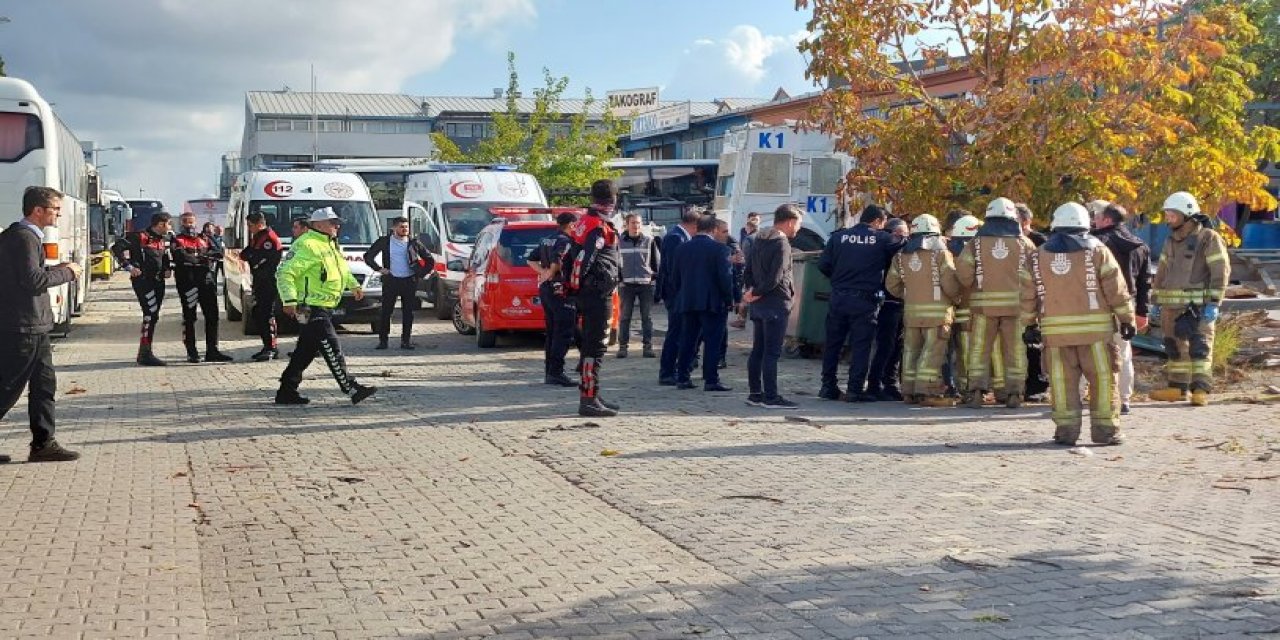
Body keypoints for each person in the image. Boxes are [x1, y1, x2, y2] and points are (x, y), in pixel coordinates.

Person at [1021, 202, 1134, 445]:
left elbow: (1027, 293)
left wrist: (1029, 324)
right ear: (1085, 223)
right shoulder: (1098, 250)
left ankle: (1066, 432)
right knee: (1103, 381)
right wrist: (1127, 319)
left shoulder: (1038, 255)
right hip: (1096, 335)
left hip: (1056, 337)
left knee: (1062, 384)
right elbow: (1116, 288)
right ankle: (1105, 432)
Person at [0, 186, 83, 463]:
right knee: (7, 389)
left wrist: (56, 270)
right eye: (55, 209)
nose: (59, 213)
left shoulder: (24, 236)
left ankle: (43, 443)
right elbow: (32, 281)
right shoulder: (23, 237)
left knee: (44, 386)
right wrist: (66, 272)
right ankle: (43, 442)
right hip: (24, 326)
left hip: (36, 326)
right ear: (38, 210)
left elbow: (31, 274)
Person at [274, 207, 377, 405]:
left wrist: (354, 285)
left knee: (304, 352)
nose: (337, 226)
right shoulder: (308, 244)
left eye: (337, 223)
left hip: (324, 306)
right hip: (311, 307)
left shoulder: (329, 244)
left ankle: (286, 391)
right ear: (319, 225)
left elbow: (342, 270)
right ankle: (351, 387)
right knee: (332, 346)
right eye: (332, 223)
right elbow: (285, 273)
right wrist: (289, 300)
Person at [1149, 192, 1230, 406]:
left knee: (1199, 348)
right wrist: (1156, 301)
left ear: (1187, 214)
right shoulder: (1170, 240)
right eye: (1167, 214)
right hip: (1170, 307)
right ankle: (1177, 389)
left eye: (1172, 215)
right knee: (1174, 348)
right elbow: (1162, 273)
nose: (1168, 219)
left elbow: (1220, 271)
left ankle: (1200, 390)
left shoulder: (1208, 238)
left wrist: (1214, 302)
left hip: (1198, 307)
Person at [956, 197, 1037, 408]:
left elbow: (963, 274)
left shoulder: (975, 243)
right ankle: (1014, 393)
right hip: (1016, 309)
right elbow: (1035, 276)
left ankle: (975, 392)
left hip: (983, 308)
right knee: (1015, 351)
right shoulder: (1025, 243)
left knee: (979, 350)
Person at [816, 204, 902, 402]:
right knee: (861, 346)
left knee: (833, 344)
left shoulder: (838, 237)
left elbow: (823, 265)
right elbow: (903, 245)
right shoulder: (882, 238)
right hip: (864, 300)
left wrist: (839, 280)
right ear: (878, 221)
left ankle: (827, 387)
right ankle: (855, 390)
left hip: (838, 297)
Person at [884, 214, 962, 407]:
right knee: (932, 352)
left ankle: (909, 391)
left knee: (911, 351)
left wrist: (910, 296)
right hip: (937, 316)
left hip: (911, 314)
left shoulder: (901, 256)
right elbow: (950, 284)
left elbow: (891, 284)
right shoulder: (941, 254)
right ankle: (926, 390)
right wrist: (957, 299)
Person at [566, 180, 623, 417]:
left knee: (592, 346)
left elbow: (570, 256)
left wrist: (573, 290)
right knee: (595, 347)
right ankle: (588, 399)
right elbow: (584, 260)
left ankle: (593, 394)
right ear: (612, 200)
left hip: (588, 293)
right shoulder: (599, 227)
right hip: (597, 294)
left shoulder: (583, 222)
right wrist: (580, 287)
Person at [1089, 201, 1151, 414]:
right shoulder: (1140, 245)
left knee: (1087, 352)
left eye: (1096, 217)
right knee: (1123, 354)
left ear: (1107, 220)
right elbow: (1145, 283)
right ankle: (1124, 399)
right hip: (1127, 307)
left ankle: (1081, 397)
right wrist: (1142, 312)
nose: (1093, 221)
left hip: (1097, 306)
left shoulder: (1095, 243)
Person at [743, 204, 802, 409]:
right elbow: (776, 277)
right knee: (772, 353)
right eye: (798, 225)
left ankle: (755, 393)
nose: (798, 230)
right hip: (776, 303)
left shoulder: (758, 239)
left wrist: (752, 291)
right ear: (790, 221)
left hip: (759, 304)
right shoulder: (782, 244)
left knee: (758, 350)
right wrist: (758, 291)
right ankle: (771, 396)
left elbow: (748, 269)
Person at [671, 215, 735, 392]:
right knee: (713, 341)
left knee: (687, 340)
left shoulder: (682, 249)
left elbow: (675, 278)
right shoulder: (720, 249)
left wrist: (681, 295)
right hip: (712, 302)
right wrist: (729, 299)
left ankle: (683, 377)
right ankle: (711, 379)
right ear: (713, 230)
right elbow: (725, 278)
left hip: (688, 300)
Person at [112, 210, 174, 366]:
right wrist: (129, 266)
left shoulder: (162, 240)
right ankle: (145, 354)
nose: (170, 226)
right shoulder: (139, 236)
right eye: (169, 223)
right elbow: (116, 249)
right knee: (150, 313)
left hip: (158, 282)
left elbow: (164, 256)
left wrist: (167, 268)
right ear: (161, 224)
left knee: (154, 315)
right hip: (143, 281)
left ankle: (145, 351)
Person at [364, 216, 434, 350]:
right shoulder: (385, 241)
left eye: (406, 227)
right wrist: (379, 269)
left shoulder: (414, 243)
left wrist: (420, 273)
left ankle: (405, 341)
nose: (405, 229)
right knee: (386, 311)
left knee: (408, 312)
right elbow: (368, 256)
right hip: (391, 280)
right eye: (401, 227)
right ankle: (383, 341)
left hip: (409, 281)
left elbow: (429, 260)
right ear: (394, 228)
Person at [173, 212, 233, 363]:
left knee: (212, 316)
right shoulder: (178, 239)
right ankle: (191, 352)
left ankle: (212, 350)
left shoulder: (204, 238)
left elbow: (219, 252)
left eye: (192, 222)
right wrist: (203, 257)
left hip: (207, 282)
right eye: (186, 222)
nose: (189, 225)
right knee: (189, 318)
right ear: (181, 223)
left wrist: (199, 257)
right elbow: (182, 258)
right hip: (188, 283)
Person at [529, 212, 579, 387]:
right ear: (571, 225)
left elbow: (530, 259)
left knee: (551, 331)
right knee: (563, 332)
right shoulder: (565, 241)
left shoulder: (546, 239)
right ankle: (556, 372)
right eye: (576, 224)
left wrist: (542, 274)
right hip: (561, 291)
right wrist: (549, 274)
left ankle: (550, 371)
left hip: (547, 291)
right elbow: (557, 262)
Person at [655, 205, 701, 385]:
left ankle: (673, 368)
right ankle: (667, 371)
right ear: (695, 225)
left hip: (678, 293)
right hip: (676, 294)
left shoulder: (679, 236)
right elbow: (675, 268)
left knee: (680, 332)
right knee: (675, 332)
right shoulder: (676, 237)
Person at [866, 218, 910, 401]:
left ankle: (890, 384)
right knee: (886, 345)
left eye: (906, 235)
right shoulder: (885, 250)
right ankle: (875, 384)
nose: (904, 239)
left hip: (902, 304)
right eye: (900, 235)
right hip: (887, 304)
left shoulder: (906, 251)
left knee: (897, 347)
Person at [944, 214, 983, 403]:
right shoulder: (980, 250)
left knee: (961, 352)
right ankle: (973, 388)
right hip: (978, 311)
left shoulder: (950, 251)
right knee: (975, 352)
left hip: (957, 309)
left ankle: (964, 387)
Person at [1016, 203, 1050, 401]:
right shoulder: (1011, 241)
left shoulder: (1038, 241)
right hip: (1020, 299)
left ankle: (1037, 386)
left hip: (1036, 299)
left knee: (1035, 346)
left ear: (1026, 221)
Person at [240, 212, 283, 361]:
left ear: (259, 224)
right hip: (259, 281)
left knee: (266, 313)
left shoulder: (269, 238)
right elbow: (246, 254)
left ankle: (271, 347)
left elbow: (261, 260)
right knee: (259, 313)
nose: (249, 229)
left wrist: (251, 256)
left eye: (251, 226)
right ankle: (267, 346)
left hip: (268, 281)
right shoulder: (258, 237)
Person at [616, 213, 660, 359]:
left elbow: (656, 262)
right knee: (625, 317)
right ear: (626, 225)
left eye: (638, 223)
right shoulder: (619, 242)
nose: (636, 226)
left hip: (645, 285)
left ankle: (648, 347)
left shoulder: (649, 240)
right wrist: (619, 279)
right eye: (633, 223)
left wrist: (653, 277)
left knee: (646, 317)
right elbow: (615, 263)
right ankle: (623, 347)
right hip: (626, 285)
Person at [733, 212, 761, 329]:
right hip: (760, 271)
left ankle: (741, 320)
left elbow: (746, 257)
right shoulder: (761, 237)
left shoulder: (748, 239)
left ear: (749, 227)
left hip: (750, 271)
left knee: (745, 295)